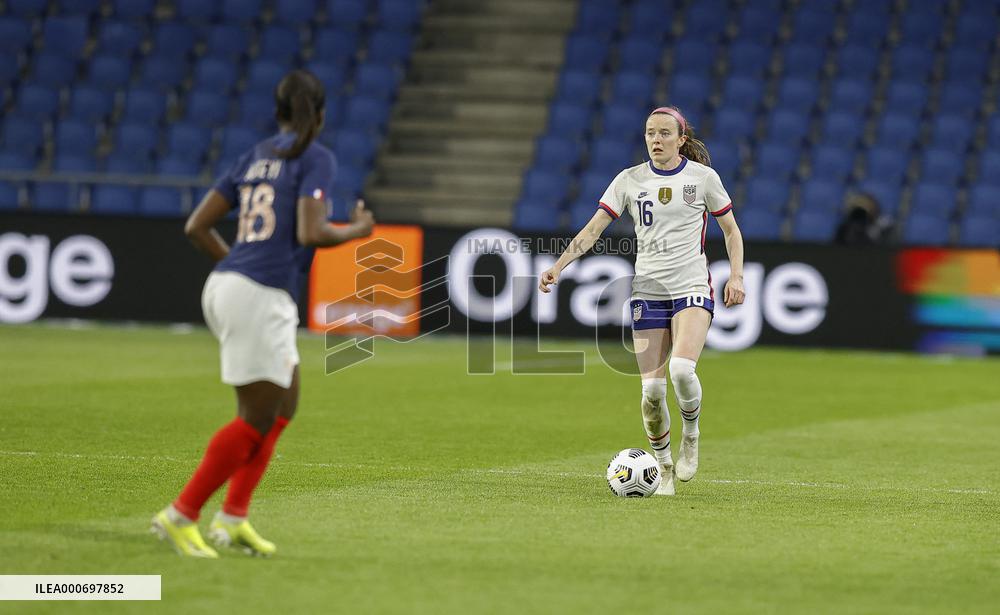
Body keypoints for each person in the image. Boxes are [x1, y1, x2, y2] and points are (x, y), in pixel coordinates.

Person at [151, 70, 375, 557]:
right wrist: (357, 230)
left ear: (278, 113)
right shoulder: (315, 157)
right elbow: (312, 232)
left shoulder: (255, 155)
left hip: (232, 286)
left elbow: (196, 226)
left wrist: (235, 266)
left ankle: (233, 518)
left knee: (283, 405)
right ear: (320, 115)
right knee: (255, 419)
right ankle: (181, 514)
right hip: (258, 294)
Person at [538, 107, 745, 496]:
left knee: (682, 369)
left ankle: (692, 435)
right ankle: (663, 467)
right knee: (651, 393)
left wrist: (736, 276)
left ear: (681, 139)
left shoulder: (703, 178)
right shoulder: (629, 179)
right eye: (651, 132)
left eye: (665, 133)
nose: (656, 139)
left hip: (691, 285)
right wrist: (559, 265)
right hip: (648, 291)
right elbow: (593, 229)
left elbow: (731, 231)